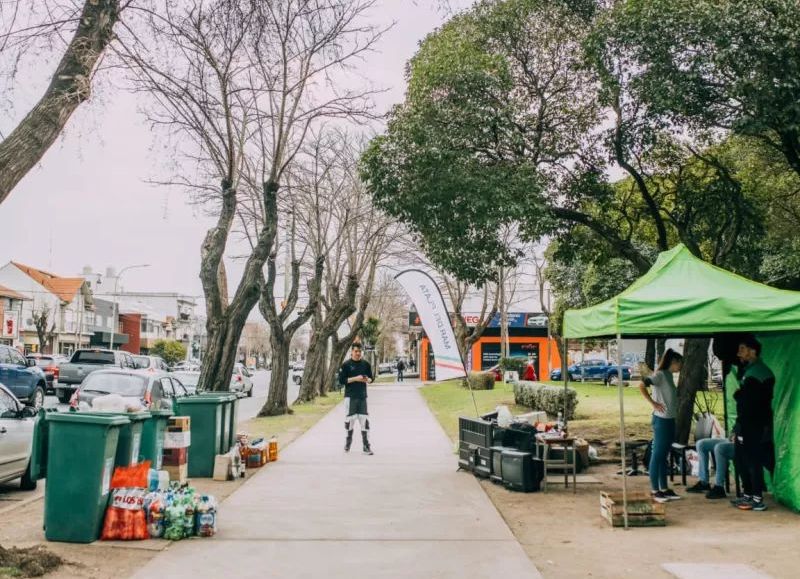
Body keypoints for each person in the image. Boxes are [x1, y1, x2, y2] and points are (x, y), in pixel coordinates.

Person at [731, 336, 775, 512]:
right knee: (741, 459)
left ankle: (757, 499)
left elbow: (748, 402)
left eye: (742, 349)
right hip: (746, 423)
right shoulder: (749, 371)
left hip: (754, 425)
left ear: (753, 351)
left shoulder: (759, 372)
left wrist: (738, 395)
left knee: (752, 460)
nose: (738, 353)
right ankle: (748, 494)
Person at [638, 349, 683, 504]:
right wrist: (653, 403)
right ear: (673, 362)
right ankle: (655, 490)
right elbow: (642, 385)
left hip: (670, 419)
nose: (681, 366)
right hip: (661, 420)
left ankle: (664, 488)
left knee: (664, 455)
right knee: (657, 455)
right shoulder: (660, 375)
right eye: (679, 363)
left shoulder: (669, 375)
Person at [338, 343, 375, 455]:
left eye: (359, 351)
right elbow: (342, 381)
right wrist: (356, 378)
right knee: (350, 421)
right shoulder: (346, 365)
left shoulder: (366, 364)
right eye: (356, 351)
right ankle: (348, 442)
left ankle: (366, 445)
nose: (358, 353)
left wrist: (367, 380)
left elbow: (371, 378)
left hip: (362, 396)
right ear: (352, 352)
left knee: (365, 421)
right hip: (350, 397)